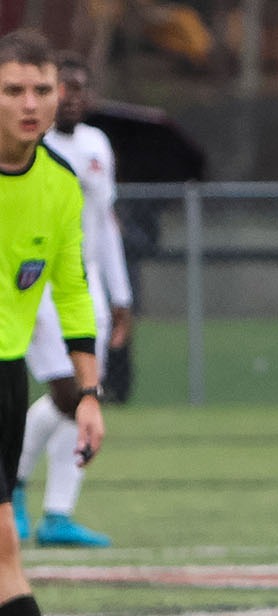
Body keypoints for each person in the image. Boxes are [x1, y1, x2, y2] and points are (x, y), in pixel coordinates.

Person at [0, 29, 115, 616]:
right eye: (13, 90)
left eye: (42, 90)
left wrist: (89, 393)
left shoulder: (59, 183)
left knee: (3, 553)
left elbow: (72, 290)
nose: (30, 103)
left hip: (4, 379)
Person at [17, 52, 129, 548]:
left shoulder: (96, 145)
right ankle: (14, 483)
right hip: (39, 286)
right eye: (58, 88)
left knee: (86, 397)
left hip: (90, 287)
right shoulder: (28, 145)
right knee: (68, 395)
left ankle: (57, 514)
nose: (69, 97)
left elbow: (105, 224)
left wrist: (122, 295)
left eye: (77, 88)